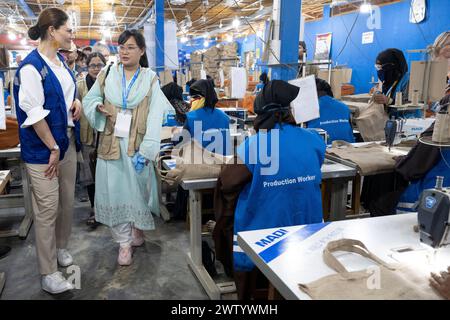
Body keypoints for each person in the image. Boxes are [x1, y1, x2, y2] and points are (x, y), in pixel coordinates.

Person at [214, 80, 326, 299]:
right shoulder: (313, 139)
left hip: (265, 231)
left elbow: (228, 182)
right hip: (308, 227)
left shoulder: (255, 144)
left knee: (231, 210)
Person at [82, 29, 174, 266]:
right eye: (121, 47)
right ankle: (123, 244)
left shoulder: (149, 78)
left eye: (130, 47)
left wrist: (148, 149)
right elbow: (89, 100)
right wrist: (98, 110)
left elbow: (156, 114)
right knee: (116, 193)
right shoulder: (108, 73)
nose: (124, 51)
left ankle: (137, 227)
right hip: (112, 143)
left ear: (141, 51)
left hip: (138, 145)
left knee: (139, 192)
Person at [13, 7, 82, 294]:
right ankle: (48, 271)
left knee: (66, 202)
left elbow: (67, 93)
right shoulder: (31, 67)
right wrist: (52, 147)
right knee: (47, 209)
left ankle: (61, 247)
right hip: (44, 148)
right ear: (52, 31)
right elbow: (34, 114)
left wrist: (76, 102)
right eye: (68, 30)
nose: (72, 35)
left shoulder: (59, 62)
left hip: (64, 142)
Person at [396, 94, 450, 213]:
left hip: (429, 202)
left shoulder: (438, 135)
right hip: (441, 202)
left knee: (381, 200)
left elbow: (411, 170)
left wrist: (401, 160)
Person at [77, 52, 107, 228]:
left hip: (106, 136)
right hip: (87, 136)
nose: (96, 68)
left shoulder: (110, 83)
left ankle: (108, 209)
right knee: (90, 175)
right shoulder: (80, 85)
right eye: (93, 65)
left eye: (99, 65)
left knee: (106, 173)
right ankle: (95, 209)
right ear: (87, 67)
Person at [183, 79, 231, 156]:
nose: (192, 100)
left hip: (199, 164)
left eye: (196, 97)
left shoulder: (191, 117)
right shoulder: (224, 117)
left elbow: (183, 143)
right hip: (221, 163)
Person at [306, 78, 355, 144]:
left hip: (323, 149)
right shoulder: (344, 106)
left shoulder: (310, 107)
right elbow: (350, 130)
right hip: (348, 147)